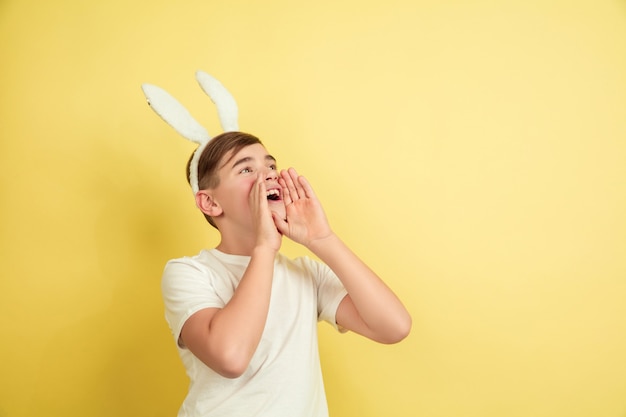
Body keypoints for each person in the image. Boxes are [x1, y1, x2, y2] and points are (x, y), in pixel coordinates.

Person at [161, 131, 411, 417]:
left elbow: (394, 326)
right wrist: (264, 247)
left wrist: (322, 238)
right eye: (245, 169)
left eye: (270, 166)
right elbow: (231, 357)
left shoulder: (306, 274)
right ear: (210, 203)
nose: (268, 176)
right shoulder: (189, 273)